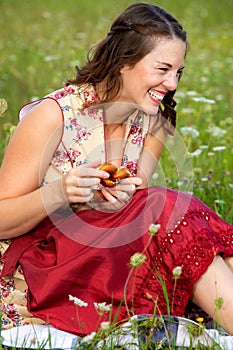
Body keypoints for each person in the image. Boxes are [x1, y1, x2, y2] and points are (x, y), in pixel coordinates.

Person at [0, 2, 233, 338]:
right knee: (169, 208)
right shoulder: (53, 115)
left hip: (101, 254)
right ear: (125, 62)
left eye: (178, 72)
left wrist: (121, 198)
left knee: (189, 230)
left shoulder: (155, 122)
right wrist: (60, 192)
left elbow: (137, 216)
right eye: (163, 69)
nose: (173, 84)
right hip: (42, 264)